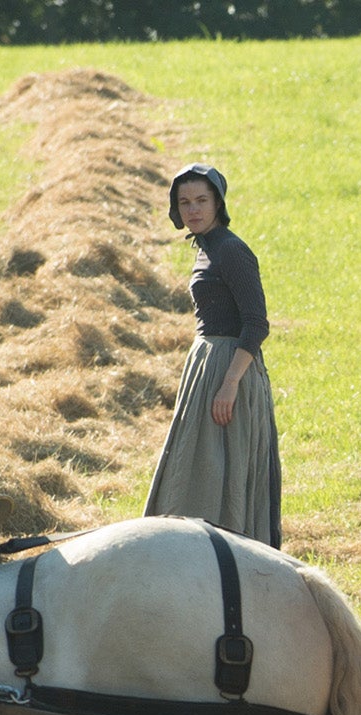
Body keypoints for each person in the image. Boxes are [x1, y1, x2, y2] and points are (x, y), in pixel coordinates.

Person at [143, 163, 282, 548]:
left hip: (230, 370)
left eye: (202, 200)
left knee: (223, 470)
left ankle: (228, 557)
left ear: (218, 203)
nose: (193, 210)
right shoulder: (206, 248)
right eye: (184, 202)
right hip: (207, 367)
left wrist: (230, 383)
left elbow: (256, 324)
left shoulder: (232, 251)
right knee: (196, 467)